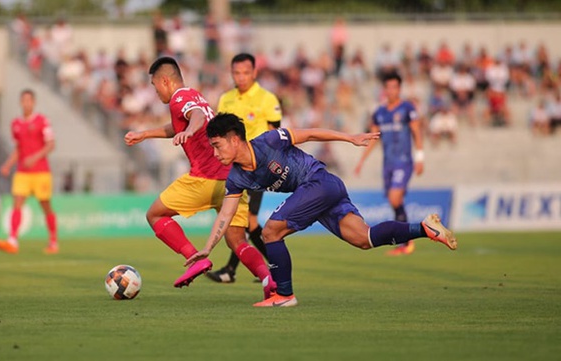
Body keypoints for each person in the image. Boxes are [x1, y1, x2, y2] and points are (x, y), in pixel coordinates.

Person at [184, 113, 457, 307]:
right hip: (320, 193)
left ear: (234, 140)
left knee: (270, 231)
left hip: (319, 182)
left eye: (217, 146)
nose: (215, 153)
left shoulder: (269, 141)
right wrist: (208, 247)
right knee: (364, 239)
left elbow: (311, 132)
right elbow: (226, 215)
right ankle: (424, 228)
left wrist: (349, 138)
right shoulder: (235, 178)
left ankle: (285, 295)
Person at [123, 57, 275, 297]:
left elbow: (196, 118)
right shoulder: (195, 95)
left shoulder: (180, 99)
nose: (155, 91)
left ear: (165, 81)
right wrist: (145, 134)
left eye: (154, 85)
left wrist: (191, 131)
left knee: (154, 214)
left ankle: (194, 260)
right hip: (233, 179)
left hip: (204, 178)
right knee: (237, 241)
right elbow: (181, 124)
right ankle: (269, 280)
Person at [206, 53, 282, 284]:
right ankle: (250, 267)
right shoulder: (225, 99)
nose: (241, 77)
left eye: (245, 72)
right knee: (246, 222)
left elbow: (275, 135)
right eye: (236, 73)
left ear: (254, 73)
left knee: (248, 220)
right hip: (235, 169)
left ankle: (244, 268)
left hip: (258, 166)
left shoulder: (267, 99)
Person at [354, 72, 425, 256]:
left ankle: (407, 242)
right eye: (388, 87)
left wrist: (420, 157)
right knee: (395, 202)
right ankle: (404, 241)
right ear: (384, 89)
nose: (391, 90)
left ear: (399, 88)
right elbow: (373, 138)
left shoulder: (407, 108)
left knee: (395, 198)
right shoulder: (379, 113)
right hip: (388, 164)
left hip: (404, 162)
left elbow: (417, 132)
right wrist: (361, 161)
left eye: (394, 87)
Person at [0, 89, 58, 254]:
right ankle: (13, 240)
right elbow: (18, 148)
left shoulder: (42, 121)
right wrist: (8, 165)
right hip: (22, 171)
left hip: (41, 171)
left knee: (46, 206)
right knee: (17, 203)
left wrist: (35, 158)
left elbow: (51, 144)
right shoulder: (15, 124)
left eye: (29, 100)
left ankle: (53, 240)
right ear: (20, 102)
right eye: (23, 100)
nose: (26, 103)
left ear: (34, 102)